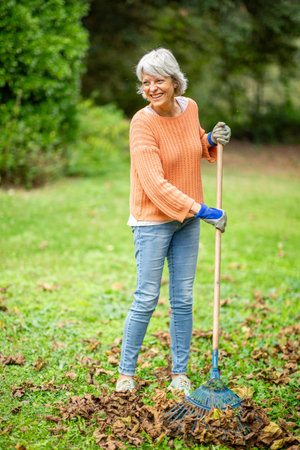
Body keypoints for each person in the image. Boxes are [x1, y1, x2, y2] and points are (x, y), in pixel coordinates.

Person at [116, 48, 231, 394]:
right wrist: (204, 211)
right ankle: (126, 373)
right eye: (145, 82)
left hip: (186, 222)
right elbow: (154, 184)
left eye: (158, 80)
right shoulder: (142, 123)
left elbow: (189, 144)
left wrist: (209, 140)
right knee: (147, 297)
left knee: (182, 299)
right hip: (152, 221)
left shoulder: (190, 107)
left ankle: (179, 373)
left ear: (174, 81)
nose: (151, 88)